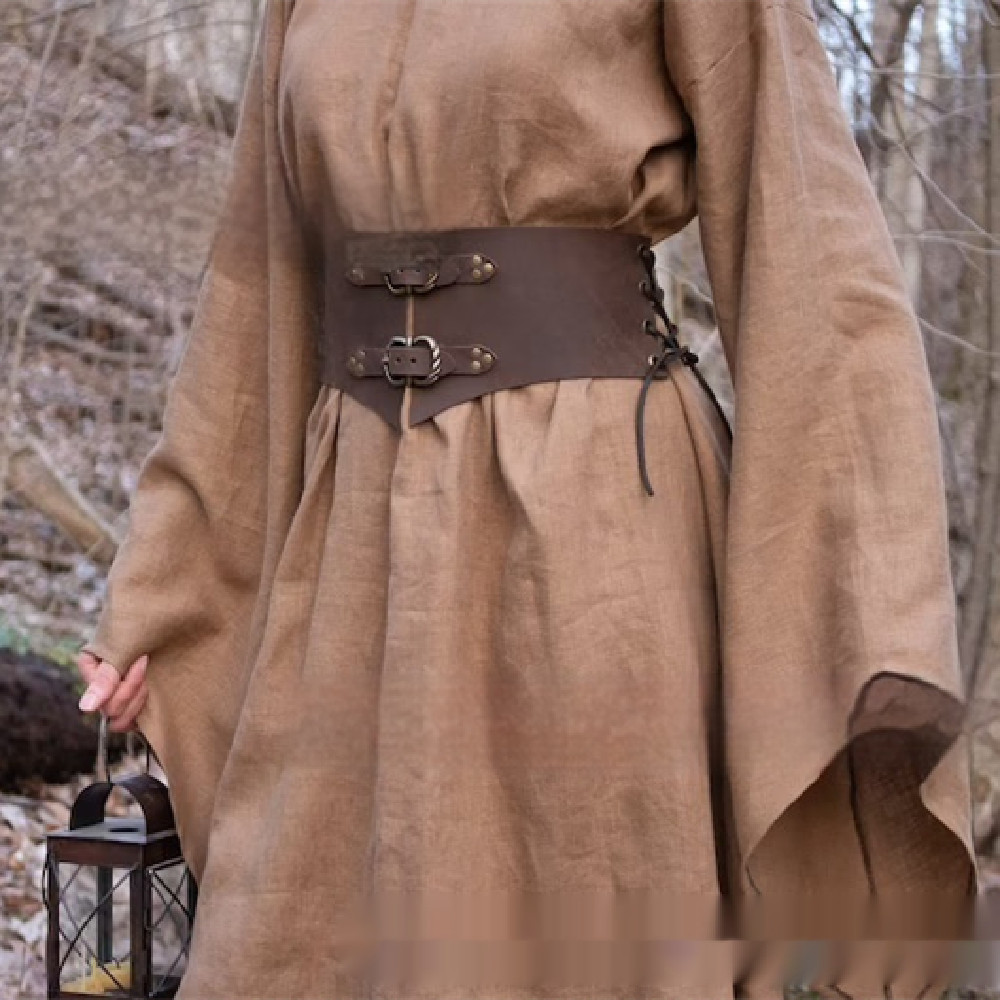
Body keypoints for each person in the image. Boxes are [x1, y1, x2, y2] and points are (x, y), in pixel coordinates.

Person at [75, 0, 979, 996]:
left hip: (589, 530)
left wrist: (866, 598)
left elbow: (808, 252)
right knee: (291, 931)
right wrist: (168, 580)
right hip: (353, 552)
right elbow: (253, 296)